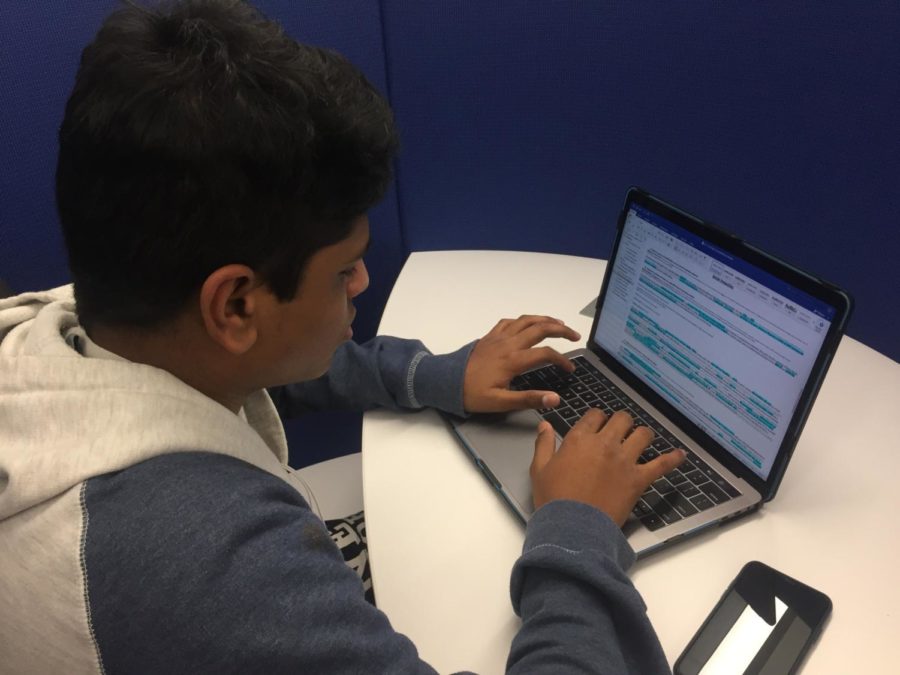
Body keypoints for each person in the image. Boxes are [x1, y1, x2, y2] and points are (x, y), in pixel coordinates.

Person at [0, 0, 685, 672]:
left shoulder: (70, 328)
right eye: (341, 270)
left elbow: (265, 369)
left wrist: (439, 375)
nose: (361, 284)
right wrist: (575, 529)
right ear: (235, 303)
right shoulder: (203, 563)